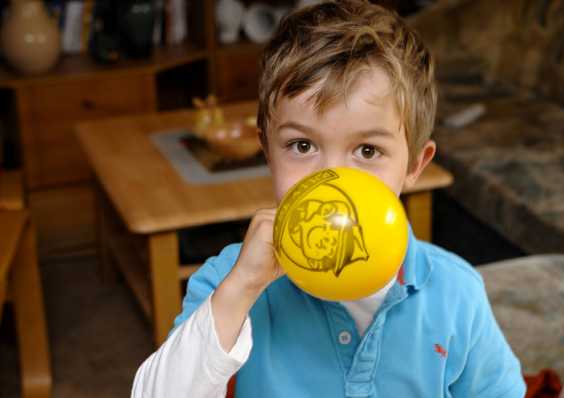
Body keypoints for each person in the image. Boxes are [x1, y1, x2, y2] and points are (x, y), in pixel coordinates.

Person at [132, 1, 525, 396]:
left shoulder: (456, 292)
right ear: (267, 150)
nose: (330, 181)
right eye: (302, 145)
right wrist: (239, 291)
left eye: (367, 151)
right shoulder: (228, 279)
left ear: (414, 166)